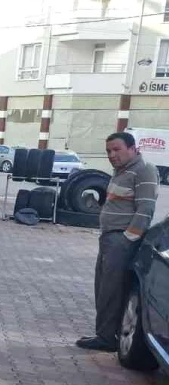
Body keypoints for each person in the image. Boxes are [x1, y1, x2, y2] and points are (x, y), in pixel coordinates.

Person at [76, 131, 159, 352]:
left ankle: (106, 338)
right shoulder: (121, 172)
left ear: (133, 149)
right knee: (103, 289)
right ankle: (104, 334)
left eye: (116, 149)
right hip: (109, 240)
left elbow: (145, 211)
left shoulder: (144, 171)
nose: (112, 155)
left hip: (122, 241)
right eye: (108, 151)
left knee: (112, 290)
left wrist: (126, 240)